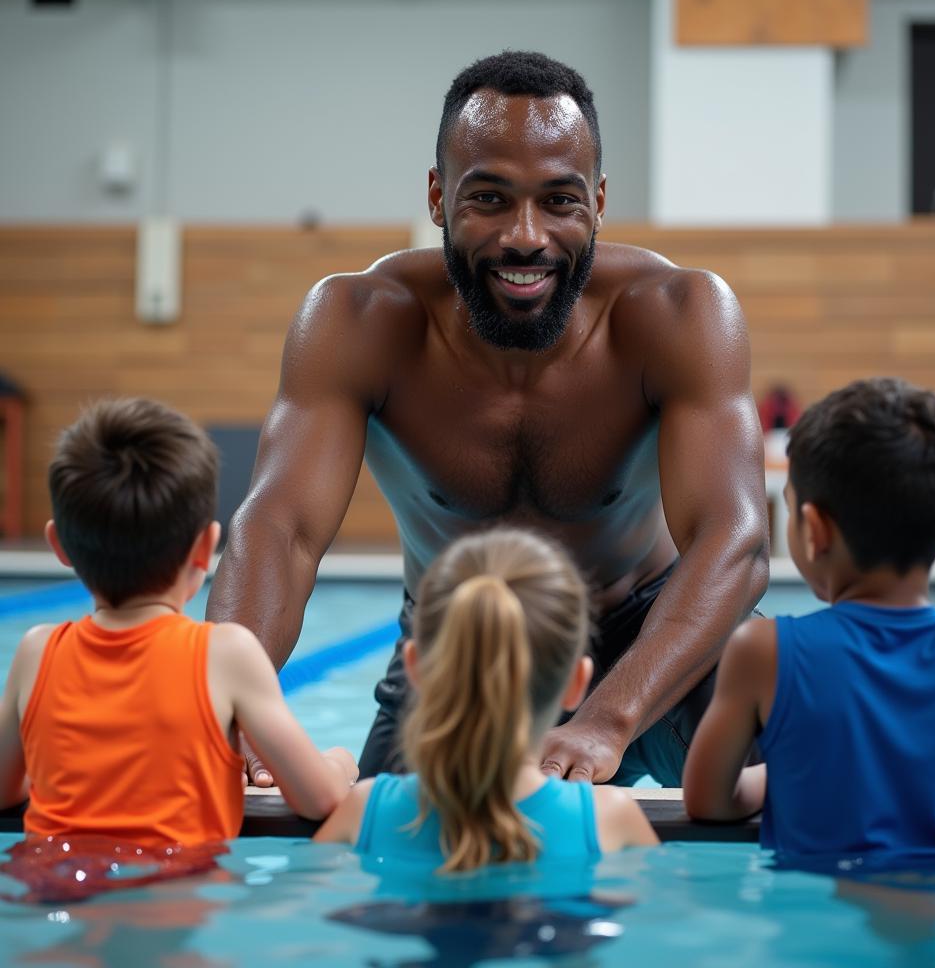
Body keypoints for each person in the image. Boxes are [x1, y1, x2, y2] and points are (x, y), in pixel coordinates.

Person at [208, 50, 769, 788]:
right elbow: (280, 528)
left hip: (644, 630)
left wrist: (608, 719)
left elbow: (735, 540)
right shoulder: (359, 322)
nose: (525, 236)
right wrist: (223, 698)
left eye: (559, 201)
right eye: (490, 199)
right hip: (451, 641)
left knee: (785, 822)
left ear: (599, 202)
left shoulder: (675, 315)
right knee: (386, 867)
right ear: (438, 198)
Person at [682, 377, 935, 863]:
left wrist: (772, 777)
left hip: (820, 919)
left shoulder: (764, 649)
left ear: (814, 530)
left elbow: (709, 802)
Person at [0, 397, 357, 845]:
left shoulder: (37, 652)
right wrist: (342, 762)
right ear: (206, 548)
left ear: (59, 546)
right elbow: (318, 799)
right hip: (176, 901)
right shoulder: (226, 655)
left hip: (51, 890)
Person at [313, 527, 657, 868]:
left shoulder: (367, 812)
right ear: (576, 682)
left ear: (415, 668)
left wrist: (337, 764)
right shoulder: (610, 820)